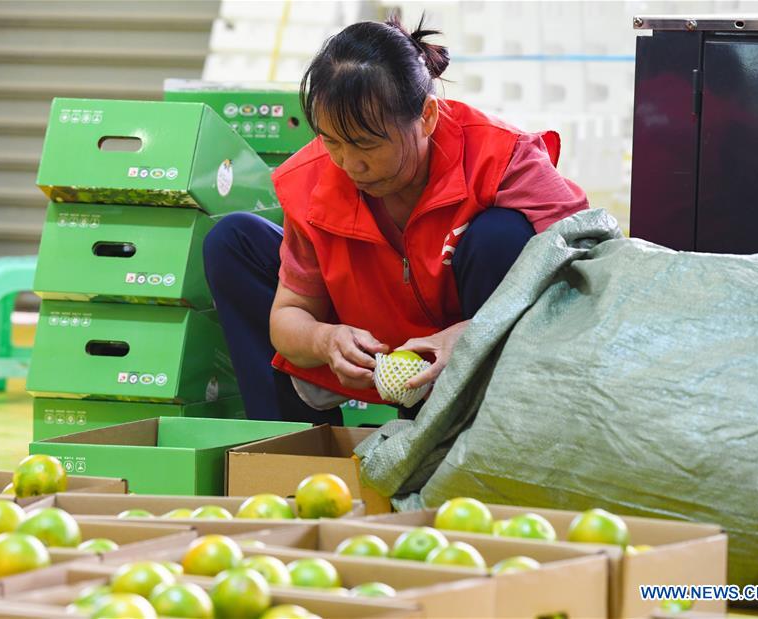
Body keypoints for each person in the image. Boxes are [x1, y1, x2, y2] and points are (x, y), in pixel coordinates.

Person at [204, 16, 588, 424]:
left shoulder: (499, 156)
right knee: (232, 240)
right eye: (332, 141)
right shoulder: (311, 181)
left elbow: (589, 255)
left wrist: (475, 334)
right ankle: (294, 453)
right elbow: (287, 318)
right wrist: (325, 339)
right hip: (374, 339)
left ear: (426, 117)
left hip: (478, 355)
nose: (350, 164)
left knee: (501, 234)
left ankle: (479, 434)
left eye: (366, 143)